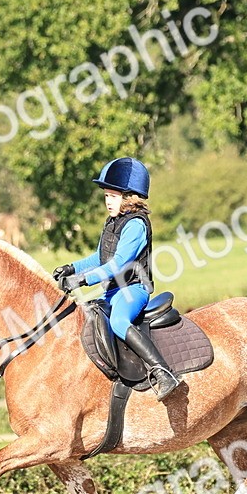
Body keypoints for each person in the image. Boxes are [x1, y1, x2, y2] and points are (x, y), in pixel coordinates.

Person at [52, 157, 181, 400]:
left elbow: (119, 263)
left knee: (119, 322)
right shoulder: (113, 222)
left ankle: (163, 372)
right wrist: (72, 268)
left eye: (112, 196)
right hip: (111, 290)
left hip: (133, 288)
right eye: (106, 196)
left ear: (129, 197)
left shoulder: (136, 225)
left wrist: (83, 281)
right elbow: (100, 257)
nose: (107, 201)